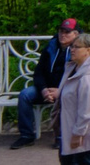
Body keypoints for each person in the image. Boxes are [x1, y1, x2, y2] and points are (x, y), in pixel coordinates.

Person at [14, 18, 79, 149]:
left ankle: (61, 137)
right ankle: (26, 136)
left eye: (67, 32)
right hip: (46, 89)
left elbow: (77, 76)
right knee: (25, 95)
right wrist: (43, 89)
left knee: (66, 97)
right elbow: (38, 72)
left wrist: (60, 90)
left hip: (66, 89)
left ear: (76, 34)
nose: (63, 34)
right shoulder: (51, 47)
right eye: (61, 31)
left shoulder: (78, 50)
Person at [56, 34, 90, 165]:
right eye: (72, 46)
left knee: (83, 161)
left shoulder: (89, 76)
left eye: (76, 47)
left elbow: (87, 109)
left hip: (83, 134)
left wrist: (78, 134)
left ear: (88, 50)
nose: (72, 49)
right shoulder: (74, 67)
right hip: (71, 127)